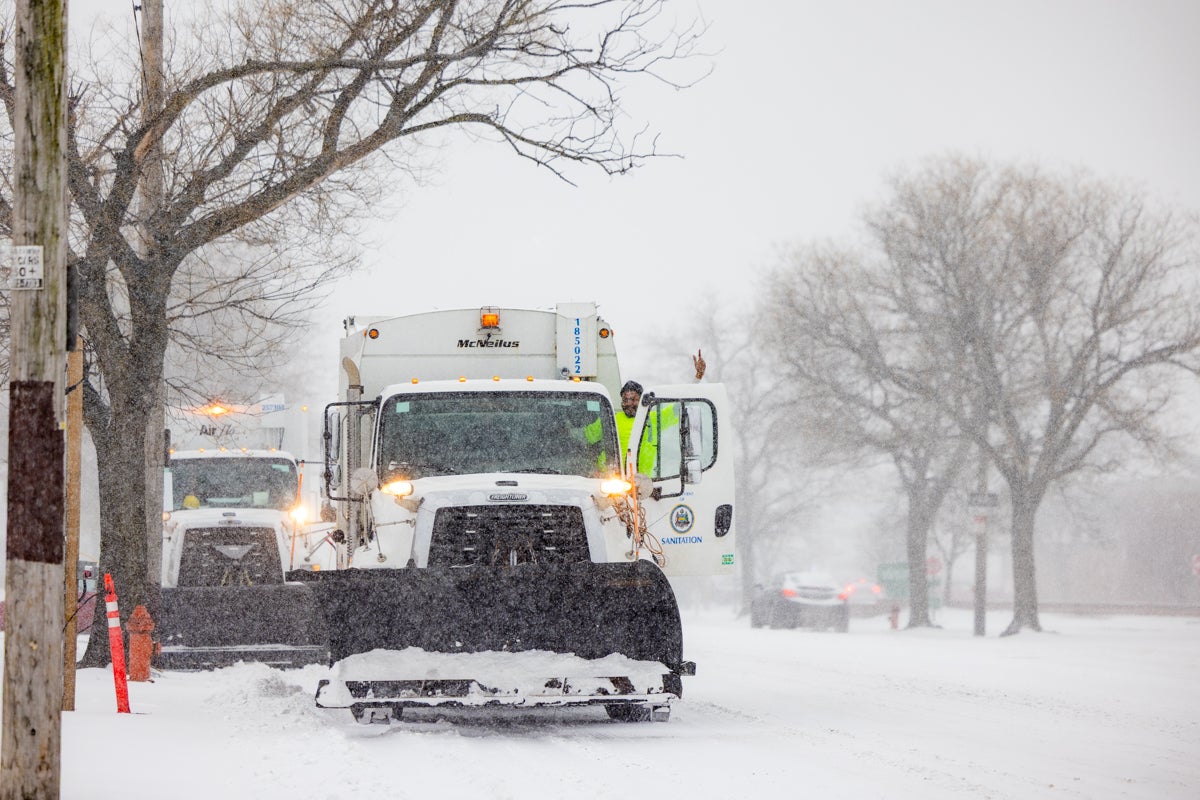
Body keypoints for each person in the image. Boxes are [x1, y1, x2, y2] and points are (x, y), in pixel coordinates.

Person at [616, 350, 706, 476]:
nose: (628, 403)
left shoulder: (653, 419)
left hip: (642, 486)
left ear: (642, 399)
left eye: (633, 399)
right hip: (613, 484)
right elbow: (587, 436)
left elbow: (680, 405)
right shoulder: (612, 420)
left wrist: (697, 378)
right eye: (625, 400)